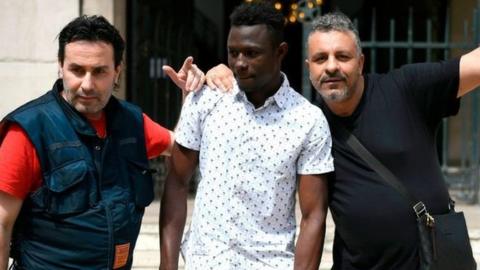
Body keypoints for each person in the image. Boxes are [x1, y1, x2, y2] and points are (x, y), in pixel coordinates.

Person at [206, 11, 480, 270]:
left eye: (343, 56)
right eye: (321, 58)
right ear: (309, 67)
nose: (332, 67)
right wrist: (222, 77)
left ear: (360, 62)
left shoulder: (406, 89)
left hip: (432, 261)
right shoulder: (305, 124)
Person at [0, 15, 204, 269]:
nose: (87, 84)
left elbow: (183, 146)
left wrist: (193, 97)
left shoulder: (132, 122)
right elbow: (2, 223)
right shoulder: (29, 130)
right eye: (77, 70)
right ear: (60, 66)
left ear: (117, 70)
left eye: (99, 71)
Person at [159, 2, 334, 270]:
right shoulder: (207, 100)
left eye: (252, 53)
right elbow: (176, 182)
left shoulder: (307, 121)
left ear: (280, 52)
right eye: (233, 53)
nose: (240, 63)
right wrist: (167, 265)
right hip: (205, 262)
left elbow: (313, 216)